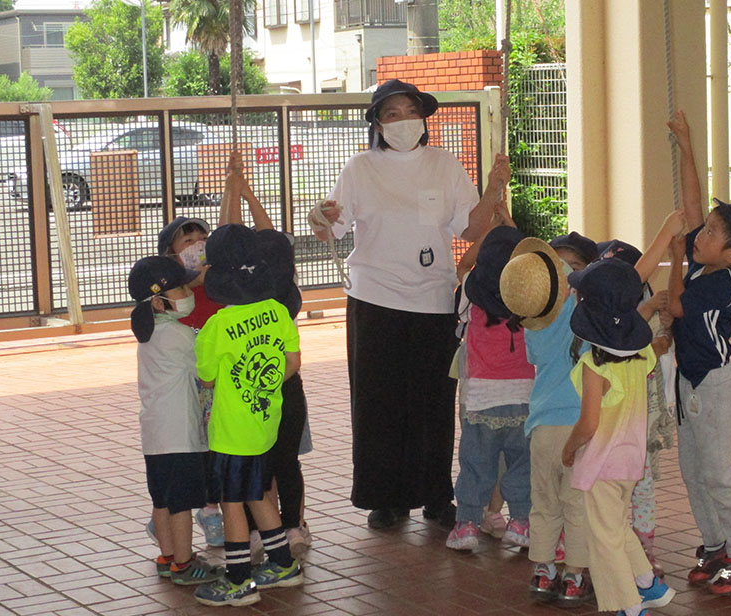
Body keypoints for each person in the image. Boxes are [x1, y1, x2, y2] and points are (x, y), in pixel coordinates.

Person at [311, 79, 511, 530]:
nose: (403, 121)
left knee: (433, 402)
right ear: (377, 124)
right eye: (392, 114)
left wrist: (494, 191)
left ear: (424, 118)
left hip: (432, 298)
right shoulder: (361, 168)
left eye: (409, 111)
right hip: (374, 298)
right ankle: (387, 499)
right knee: (378, 402)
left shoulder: (444, 165)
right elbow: (331, 229)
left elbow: (471, 229)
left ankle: (437, 496)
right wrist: (319, 216)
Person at [562, 211, 684, 616]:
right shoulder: (639, 356)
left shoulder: (593, 363)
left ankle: (631, 614)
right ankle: (649, 585)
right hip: (630, 462)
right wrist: (667, 233)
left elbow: (590, 422)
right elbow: (633, 289)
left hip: (600, 463)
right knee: (618, 527)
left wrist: (569, 449)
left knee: (604, 539)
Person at [666, 110, 731, 595]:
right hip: (688, 380)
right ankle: (714, 546)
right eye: (703, 229)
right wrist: (686, 144)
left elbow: (677, 307)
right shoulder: (710, 264)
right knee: (692, 471)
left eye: (709, 233)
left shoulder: (725, 281)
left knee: (718, 473)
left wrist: (668, 259)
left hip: (714, 384)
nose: (698, 234)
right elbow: (689, 208)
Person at [192, 224, 303, 607]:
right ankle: (283, 563)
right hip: (264, 427)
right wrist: (262, 389)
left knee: (231, 502)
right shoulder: (278, 312)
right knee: (257, 495)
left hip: (230, 432)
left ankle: (238, 579)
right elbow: (291, 363)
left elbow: (206, 379)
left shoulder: (217, 327)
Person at [222, 165, 314, 560]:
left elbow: (248, 239)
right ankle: (280, 527)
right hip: (276, 387)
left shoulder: (260, 292)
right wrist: (239, 192)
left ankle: (279, 526)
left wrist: (238, 192)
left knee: (271, 462)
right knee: (274, 462)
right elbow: (241, 238)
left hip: (265, 390)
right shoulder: (265, 290)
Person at [499, 234, 593, 605]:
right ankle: (574, 575)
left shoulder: (533, 320)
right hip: (578, 424)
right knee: (576, 501)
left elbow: (538, 358)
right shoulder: (583, 314)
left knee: (544, 500)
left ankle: (542, 570)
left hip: (541, 425)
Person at [127, 256, 221, 588]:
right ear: (158, 301)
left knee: (162, 500)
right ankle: (184, 563)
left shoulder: (151, 334)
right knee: (181, 504)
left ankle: (167, 557)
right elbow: (207, 370)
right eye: (182, 287)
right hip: (180, 434)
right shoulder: (179, 338)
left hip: (155, 436)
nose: (189, 291)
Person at [446, 225, 533, 551]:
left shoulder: (472, 293)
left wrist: (487, 234)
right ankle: (521, 522)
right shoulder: (532, 301)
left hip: (481, 400)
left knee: (476, 465)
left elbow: (463, 267)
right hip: (524, 398)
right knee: (522, 464)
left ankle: (467, 525)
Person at [599, 239, 677, 577]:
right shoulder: (599, 325)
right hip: (609, 427)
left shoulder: (649, 326)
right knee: (612, 490)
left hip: (640, 427)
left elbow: (658, 357)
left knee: (641, 488)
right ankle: (612, 545)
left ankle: (643, 546)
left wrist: (666, 324)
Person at [154, 215, 226, 550]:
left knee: (215, 447)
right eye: (188, 241)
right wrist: (191, 281)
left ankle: (209, 512)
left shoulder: (218, 279)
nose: (198, 243)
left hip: (217, 378)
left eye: (203, 236)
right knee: (195, 449)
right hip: (187, 386)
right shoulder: (172, 294)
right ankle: (173, 518)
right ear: (171, 254)